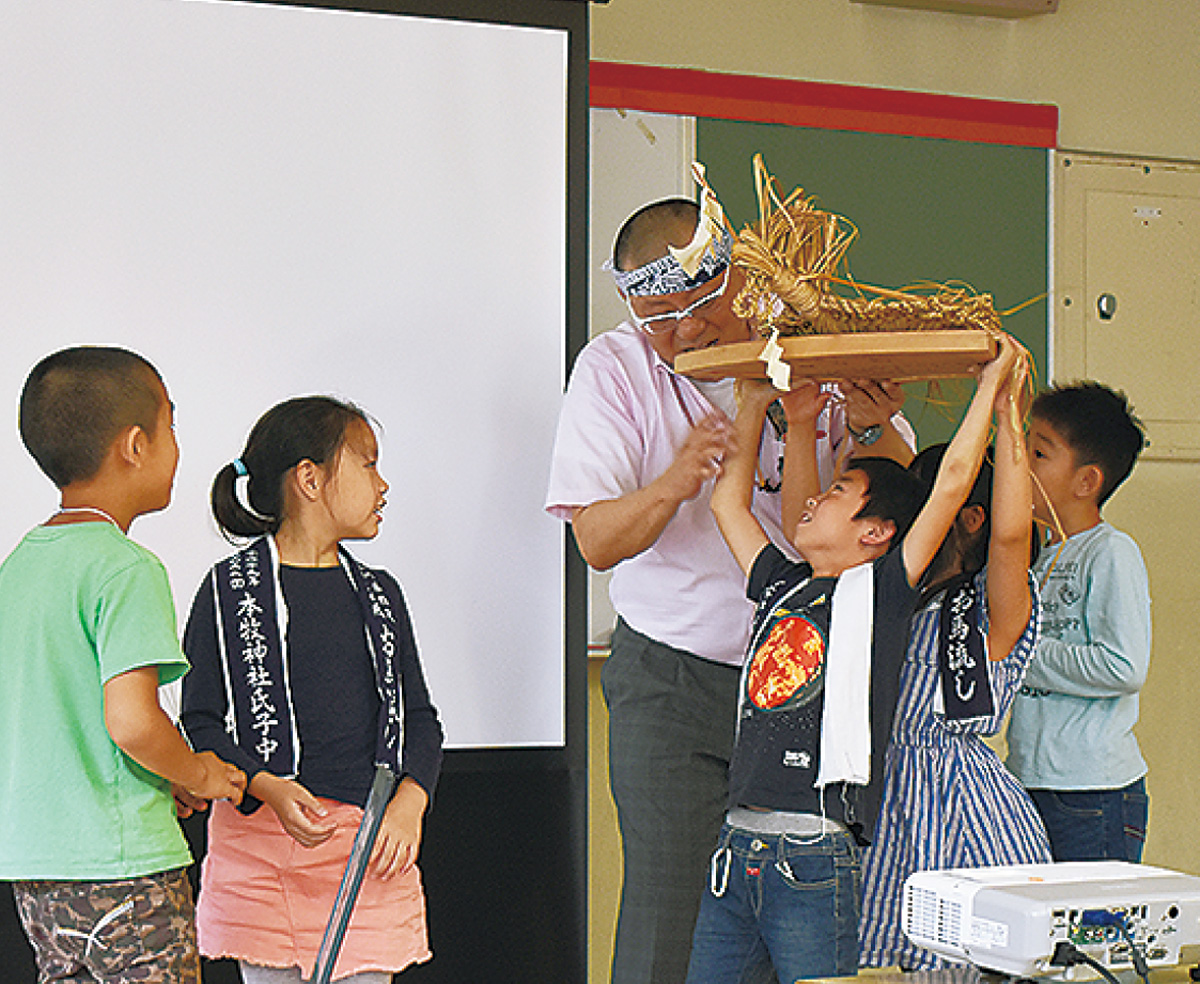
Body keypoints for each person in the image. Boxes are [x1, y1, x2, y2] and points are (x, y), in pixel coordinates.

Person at [544, 197, 913, 984]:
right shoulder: (614, 368)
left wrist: (874, 426)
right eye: (658, 319)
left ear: (739, 277)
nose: (683, 333)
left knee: (799, 908)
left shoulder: (810, 339)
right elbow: (595, 541)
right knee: (672, 905)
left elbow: (896, 509)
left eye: (697, 307)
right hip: (674, 678)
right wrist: (672, 483)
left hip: (812, 679)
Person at [686, 335, 1020, 983]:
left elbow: (952, 483)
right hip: (736, 846)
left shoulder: (882, 593)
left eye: (838, 489)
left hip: (813, 853)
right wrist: (753, 406)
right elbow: (727, 503)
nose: (815, 499)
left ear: (876, 533)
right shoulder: (782, 582)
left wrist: (991, 391)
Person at [0, 346, 247, 983]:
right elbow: (133, 722)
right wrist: (197, 772)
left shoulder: (18, 568)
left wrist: (167, 772)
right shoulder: (126, 568)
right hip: (124, 868)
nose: (177, 446)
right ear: (135, 445)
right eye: (171, 425)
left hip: (36, 872)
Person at [180, 396, 444, 984]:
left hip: (367, 851)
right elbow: (200, 722)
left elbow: (420, 719)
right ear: (310, 479)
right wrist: (267, 786)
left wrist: (410, 802)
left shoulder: (380, 594)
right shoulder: (226, 591)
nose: (383, 485)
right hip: (259, 852)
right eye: (369, 464)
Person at [858, 368, 1053, 970]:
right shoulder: (893, 592)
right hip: (879, 795)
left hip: (963, 806)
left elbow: (1010, 536)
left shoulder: (994, 605)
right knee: (873, 963)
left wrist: (1006, 419)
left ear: (969, 517)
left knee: (971, 961)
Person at [1006, 381, 1150, 863]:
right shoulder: (1034, 555)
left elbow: (1123, 666)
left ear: (1086, 481)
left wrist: (1022, 650)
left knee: (1087, 914)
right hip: (1030, 780)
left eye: (1039, 453)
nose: (1021, 463)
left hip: (1093, 792)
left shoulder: (1111, 552)